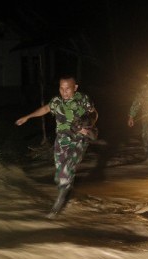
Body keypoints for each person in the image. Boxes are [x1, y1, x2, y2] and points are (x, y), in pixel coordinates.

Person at [15, 75, 98, 218]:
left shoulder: (83, 99)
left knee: (66, 169)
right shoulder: (56, 101)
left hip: (78, 140)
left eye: (68, 89)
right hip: (61, 141)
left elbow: (94, 114)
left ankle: (58, 204)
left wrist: (87, 126)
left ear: (75, 88)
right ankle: (67, 188)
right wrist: (28, 117)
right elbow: (46, 108)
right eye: (61, 88)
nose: (64, 92)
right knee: (60, 171)